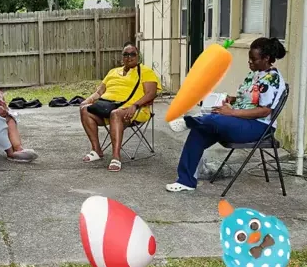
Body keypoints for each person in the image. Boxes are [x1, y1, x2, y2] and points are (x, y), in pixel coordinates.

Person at [166, 37, 287, 192]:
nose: (250, 62)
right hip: (240, 120)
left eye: (254, 59)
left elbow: (264, 110)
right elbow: (248, 99)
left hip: (259, 126)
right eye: (249, 58)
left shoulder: (272, 79)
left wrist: (231, 112)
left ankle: (190, 121)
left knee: (215, 119)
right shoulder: (255, 74)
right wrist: (231, 99)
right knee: (200, 130)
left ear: (267, 58)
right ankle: (186, 181)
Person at [80, 42, 161, 171]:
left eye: (132, 54)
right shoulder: (113, 71)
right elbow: (99, 92)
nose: (129, 57)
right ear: (122, 57)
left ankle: (116, 157)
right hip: (107, 107)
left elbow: (151, 93)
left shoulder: (146, 71)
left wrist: (134, 106)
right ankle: (96, 150)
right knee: (85, 109)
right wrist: (87, 100)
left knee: (116, 114)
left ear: (138, 56)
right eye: (126, 54)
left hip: (135, 110)